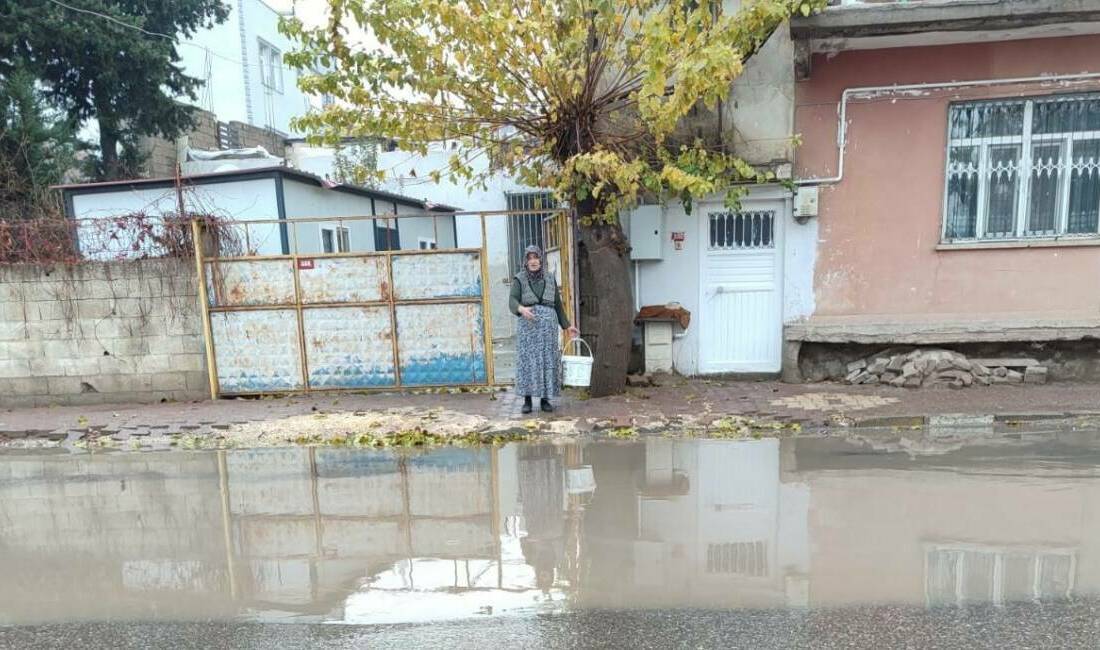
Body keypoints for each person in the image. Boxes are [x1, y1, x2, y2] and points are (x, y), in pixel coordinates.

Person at [510, 246, 579, 414]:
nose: (533, 261)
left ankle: (545, 399)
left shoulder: (549, 278)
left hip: (547, 330)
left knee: (547, 362)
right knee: (528, 362)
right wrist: (521, 309)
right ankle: (527, 400)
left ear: (541, 260)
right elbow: (512, 299)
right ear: (526, 261)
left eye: (536, 258)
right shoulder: (519, 279)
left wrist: (567, 326)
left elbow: (557, 304)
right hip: (528, 329)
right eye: (530, 258)